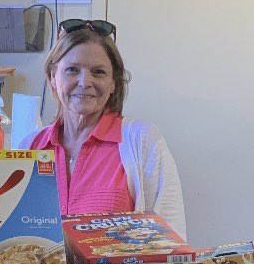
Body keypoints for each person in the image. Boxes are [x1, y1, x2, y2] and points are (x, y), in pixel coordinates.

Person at [22, 19, 186, 238]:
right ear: (53, 77)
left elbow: (170, 240)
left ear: (113, 83)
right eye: (72, 70)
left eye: (98, 72)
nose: (84, 82)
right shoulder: (29, 146)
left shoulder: (141, 141)